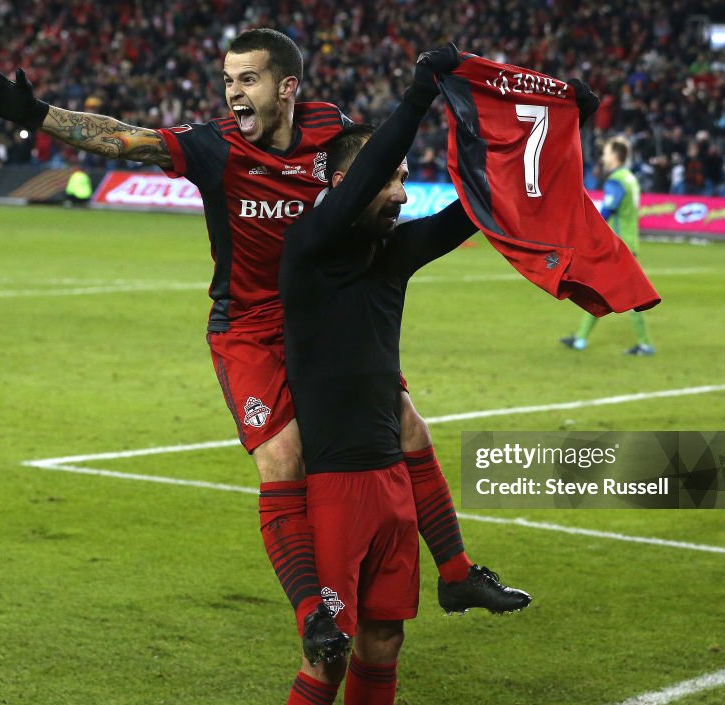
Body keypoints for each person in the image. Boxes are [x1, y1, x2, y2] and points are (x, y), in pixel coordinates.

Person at [0, 28, 527, 663]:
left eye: (248, 79)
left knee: (406, 427)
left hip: (324, 316)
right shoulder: (214, 147)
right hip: (250, 330)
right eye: (228, 80)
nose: (234, 92)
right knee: (283, 458)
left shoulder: (328, 127)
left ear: (286, 87)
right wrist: (37, 115)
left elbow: (372, 166)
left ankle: (457, 574)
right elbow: (128, 138)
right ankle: (314, 614)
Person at [279, 45, 529, 705]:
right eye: (388, 180)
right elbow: (360, 184)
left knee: (384, 642)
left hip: (394, 483)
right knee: (327, 658)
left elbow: (472, 211)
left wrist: (537, 134)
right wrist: (421, 93)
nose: (400, 191)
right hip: (335, 490)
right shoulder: (308, 249)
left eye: (401, 179)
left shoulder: (389, 255)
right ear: (346, 186)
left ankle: (457, 570)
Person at [561, 137, 655, 355]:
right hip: (628, 241)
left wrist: (587, 230)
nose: (603, 156)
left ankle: (644, 343)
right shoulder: (630, 178)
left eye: (606, 152)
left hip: (617, 244)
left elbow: (607, 211)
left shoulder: (616, 181)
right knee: (599, 288)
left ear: (615, 155)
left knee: (629, 294)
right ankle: (580, 338)